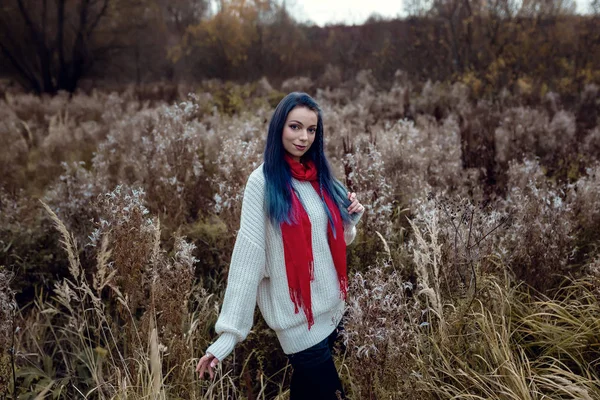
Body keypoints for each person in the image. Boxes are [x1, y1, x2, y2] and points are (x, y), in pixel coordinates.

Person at [196, 92, 365, 399]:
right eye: (295, 127)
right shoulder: (262, 183)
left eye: (311, 130)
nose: (303, 137)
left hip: (331, 314)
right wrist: (226, 340)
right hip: (299, 325)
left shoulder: (320, 177)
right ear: (279, 128)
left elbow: (336, 242)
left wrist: (348, 219)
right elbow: (247, 262)